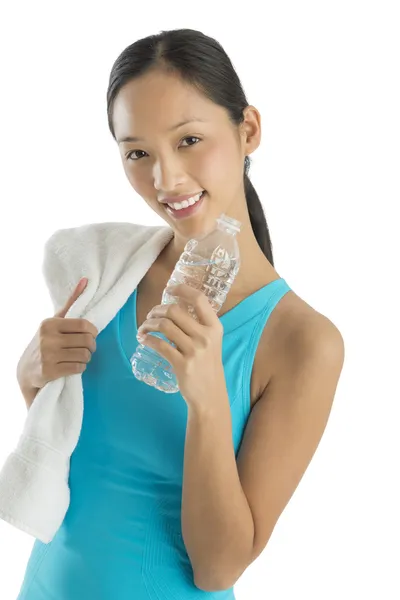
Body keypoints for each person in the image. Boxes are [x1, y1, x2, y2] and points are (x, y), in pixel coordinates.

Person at [16, 28, 345, 600]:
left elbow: (217, 570)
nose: (165, 180)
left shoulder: (302, 342)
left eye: (189, 140)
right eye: (138, 153)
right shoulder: (103, 282)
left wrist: (208, 397)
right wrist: (32, 381)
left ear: (248, 131)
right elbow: (80, 458)